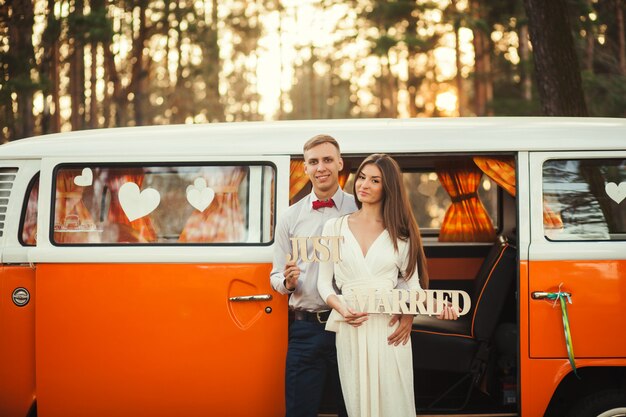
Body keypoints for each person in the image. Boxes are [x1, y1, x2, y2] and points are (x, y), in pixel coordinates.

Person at [317, 153, 458, 417]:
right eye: (361, 177)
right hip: (352, 327)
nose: (363, 185)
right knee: (358, 405)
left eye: (374, 180)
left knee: (393, 404)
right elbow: (324, 283)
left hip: (389, 329)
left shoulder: (402, 234)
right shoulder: (332, 227)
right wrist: (342, 308)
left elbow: (412, 288)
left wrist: (436, 305)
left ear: (388, 187)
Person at [270, 134, 356, 417]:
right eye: (313, 162)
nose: (321, 167)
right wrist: (288, 282)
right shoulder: (290, 217)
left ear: (340, 163)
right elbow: (275, 275)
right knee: (299, 411)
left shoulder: (361, 210)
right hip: (306, 327)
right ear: (305, 168)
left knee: (355, 409)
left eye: (328, 160)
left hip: (352, 326)